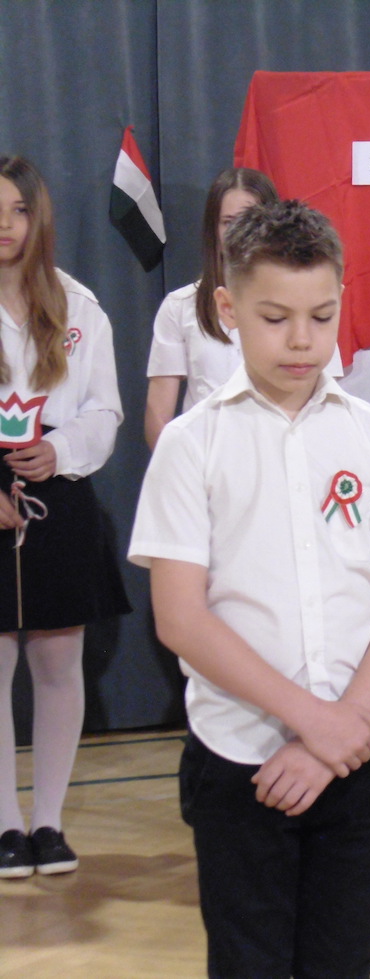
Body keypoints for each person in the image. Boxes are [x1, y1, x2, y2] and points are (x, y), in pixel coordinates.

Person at [128, 200, 370, 975]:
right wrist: (313, 722)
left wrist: (345, 726)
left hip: (360, 759)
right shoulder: (191, 445)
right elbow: (181, 617)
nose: (301, 339)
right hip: (239, 757)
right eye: (275, 318)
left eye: (321, 315)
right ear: (228, 309)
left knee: (344, 960)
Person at [0, 156, 130, 880]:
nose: (6, 225)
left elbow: (105, 410)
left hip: (59, 486)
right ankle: (5, 824)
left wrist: (60, 451)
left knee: (56, 662)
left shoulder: (79, 305)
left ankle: (47, 822)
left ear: (38, 217)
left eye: (19, 209)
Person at [143, 167, 277, 449]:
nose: (239, 233)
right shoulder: (180, 306)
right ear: (214, 230)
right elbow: (158, 419)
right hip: (203, 461)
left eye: (250, 221)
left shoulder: (300, 304)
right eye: (228, 222)